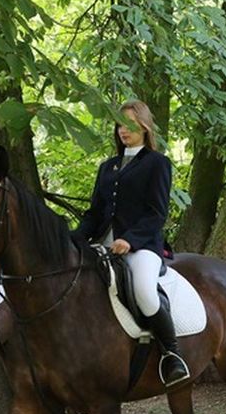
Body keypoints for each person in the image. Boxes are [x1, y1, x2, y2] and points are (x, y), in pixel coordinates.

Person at [74, 99, 188, 386]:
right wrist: (71, 240)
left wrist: (130, 240)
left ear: (144, 126)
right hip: (102, 245)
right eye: (119, 125)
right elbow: (94, 213)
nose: (123, 131)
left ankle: (172, 355)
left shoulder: (157, 163)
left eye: (130, 125)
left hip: (142, 246)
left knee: (144, 292)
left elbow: (156, 213)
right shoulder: (107, 166)